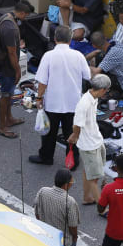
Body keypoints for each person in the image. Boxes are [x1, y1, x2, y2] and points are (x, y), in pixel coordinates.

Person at [29, 25, 91, 166]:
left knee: (50, 133)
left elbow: (43, 81)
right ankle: (72, 160)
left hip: (53, 103)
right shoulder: (78, 56)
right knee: (72, 133)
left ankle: (46, 157)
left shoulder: (49, 56)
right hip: (73, 103)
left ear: (55, 39)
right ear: (70, 40)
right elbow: (87, 76)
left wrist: (39, 98)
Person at [69, 74, 109, 205]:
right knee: (94, 178)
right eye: (107, 90)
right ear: (103, 89)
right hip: (89, 145)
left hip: (95, 139)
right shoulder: (84, 104)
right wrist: (75, 136)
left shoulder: (93, 98)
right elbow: (76, 124)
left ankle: (87, 197)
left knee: (89, 173)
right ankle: (102, 207)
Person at [0, 1, 31, 139]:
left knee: (8, 93)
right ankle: (2, 126)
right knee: (5, 95)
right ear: (21, 13)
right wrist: (17, 70)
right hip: (7, 66)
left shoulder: (6, 17)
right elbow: (11, 52)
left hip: (5, 63)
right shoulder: (10, 28)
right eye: (25, 15)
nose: (25, 17)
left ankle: (9, 118)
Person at [89, 31, 123, 96]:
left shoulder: (112, 54)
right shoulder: (115, 43)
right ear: (105, 38)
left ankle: (110, 92)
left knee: (95, 76)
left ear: (94, 46)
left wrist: (83, 65)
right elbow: (97, 52)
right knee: (98, 56)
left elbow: (96, 71)